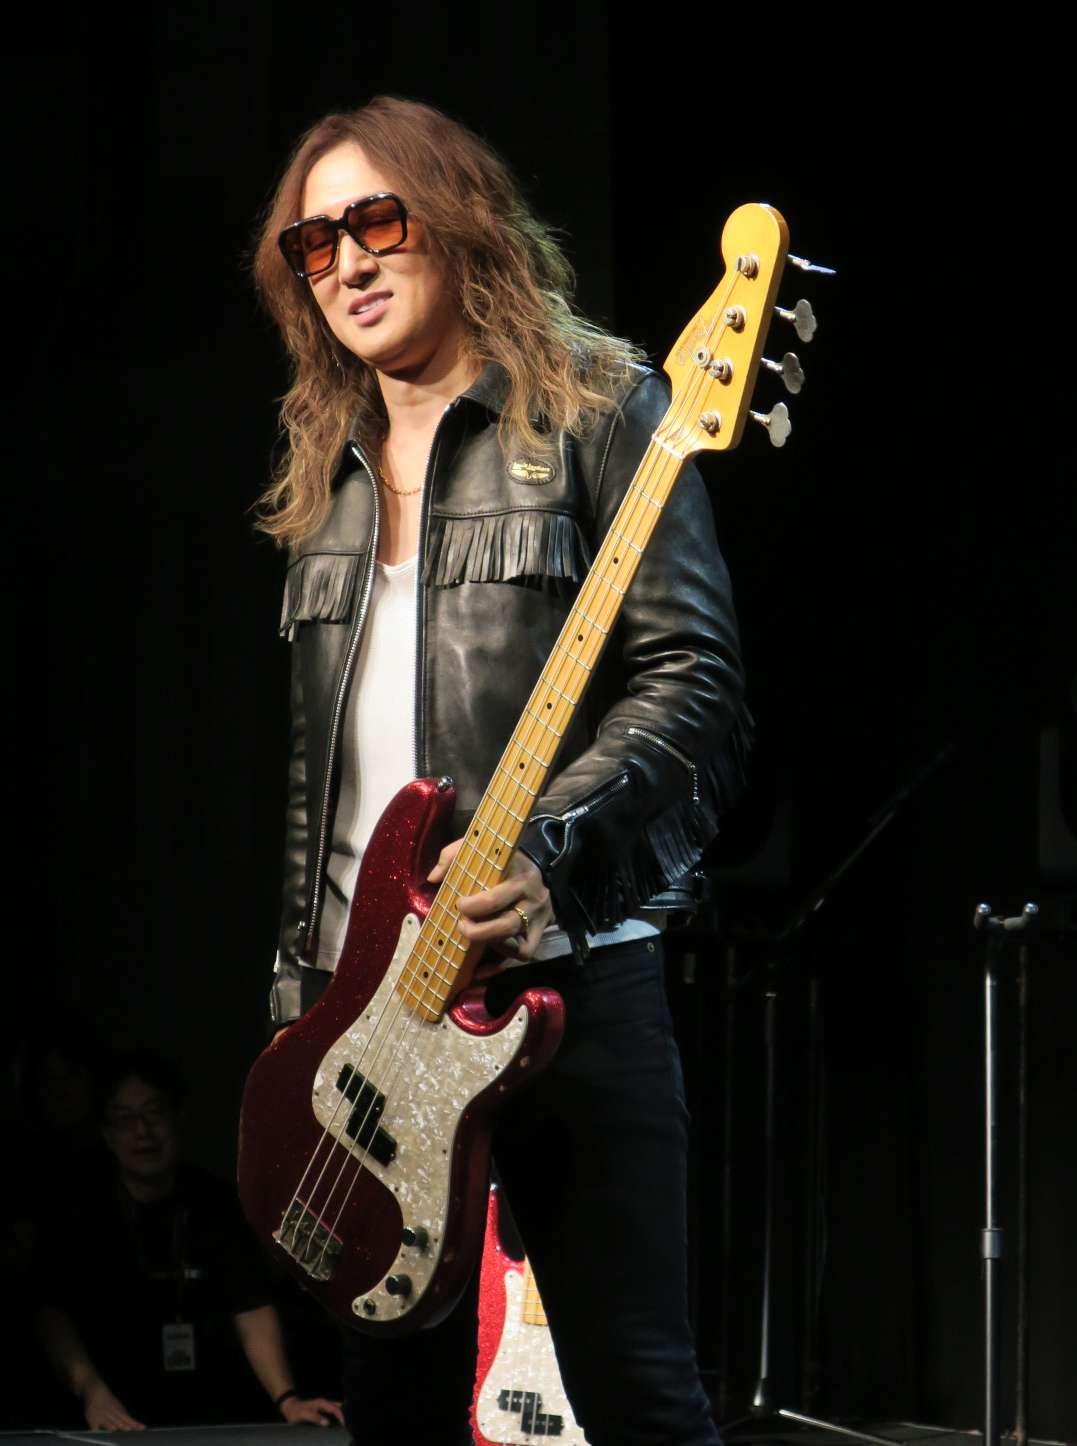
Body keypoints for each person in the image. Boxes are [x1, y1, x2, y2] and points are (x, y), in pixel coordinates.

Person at [251, 94, 751, 1446]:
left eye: (376, 219)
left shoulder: (598, 407)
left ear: (457, 218)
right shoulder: (329, 464)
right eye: (313, 242)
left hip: (564, 981)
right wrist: (299, 1006)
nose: (346, 261)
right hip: (368, 1022)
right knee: (394, 1414)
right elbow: (316, 783)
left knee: (639, 1393)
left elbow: (693, 677)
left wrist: (551, 851)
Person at [33, 1049, 344, 1431]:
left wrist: (288, 1399)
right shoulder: (79, 1210)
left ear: (178, 1118)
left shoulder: (216, 1203)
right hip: (115, 1413)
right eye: (125, 1119)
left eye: (153, 1113)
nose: (142, 1131)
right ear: (107, 1134)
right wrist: (92, 1393)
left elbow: (250, 1306)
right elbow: (52, 1312)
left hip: (210, 1411)